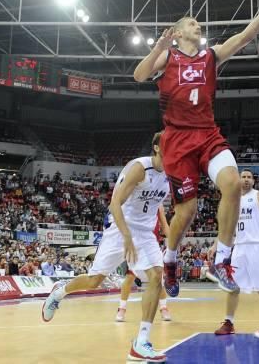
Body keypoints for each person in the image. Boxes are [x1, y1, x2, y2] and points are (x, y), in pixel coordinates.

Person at [133, 0, 259, 298]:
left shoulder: (210, 57)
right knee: (187, 212)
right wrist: (158, 48)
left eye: (198, 22)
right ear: (177, 33)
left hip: (207, 134)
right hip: (176, 140)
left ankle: (221, 260)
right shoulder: (168, 58)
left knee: (233, 184)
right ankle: (171, 260)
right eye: (192, 23)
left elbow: (247, 35)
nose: (198, 25)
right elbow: (139, 75)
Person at [42, 132, 170, 362]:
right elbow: (114, 203)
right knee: (94, 281)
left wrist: (168, 234)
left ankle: (141, 342)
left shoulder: (172, 174)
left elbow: (160, 207)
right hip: (120, 227)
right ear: (157, 148)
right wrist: (127, 236)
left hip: (144, 233)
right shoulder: (140, 168)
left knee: (156, 276)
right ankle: (60, 291)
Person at [214, 170, 259, 336]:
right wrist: (215, 244)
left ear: (253, 181)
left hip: (257, 246)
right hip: (239, 247)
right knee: (232, 287)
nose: (245, 180)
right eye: (243, 177)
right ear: (238, 180)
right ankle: (229, 322)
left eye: (249, 177)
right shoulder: (232, 200)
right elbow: (225, 227)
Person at [116, 210, 172, 323]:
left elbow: (165, 225)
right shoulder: (136, 199)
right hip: (135, 244)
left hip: (151, 246)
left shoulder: (158, 204)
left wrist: (173, 243)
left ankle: (163, 308)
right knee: (130, 276)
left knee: (158, 279)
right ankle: (121, 308)